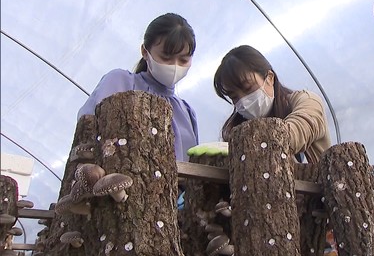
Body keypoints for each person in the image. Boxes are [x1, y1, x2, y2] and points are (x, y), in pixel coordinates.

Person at [78, 13, 199, 162]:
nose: (174, 66)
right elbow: (89, 131)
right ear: (144, 52)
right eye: (166, 58)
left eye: (183, 60)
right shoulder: (120, 82)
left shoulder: (186, 112)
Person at [213, 45, 331, 164]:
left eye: (248, 88)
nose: (243, 101)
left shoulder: (307, 100)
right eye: (234, 97)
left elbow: (300, 129)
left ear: (269, 78)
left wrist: (257, 143)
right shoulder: (235, 130)